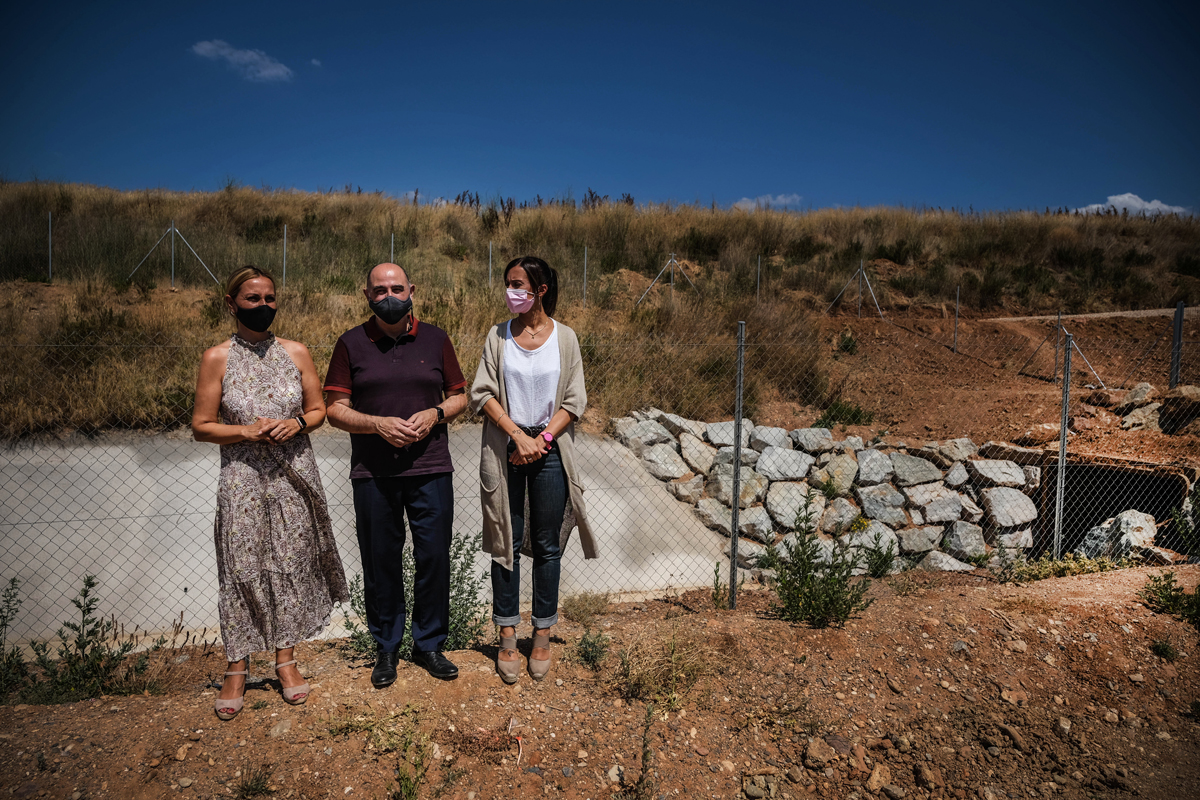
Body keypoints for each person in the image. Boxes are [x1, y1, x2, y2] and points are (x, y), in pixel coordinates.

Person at [192, 266, 350, 721]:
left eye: (270, 299)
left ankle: (285, 660)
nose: (263, 307)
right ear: (231, 303)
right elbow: (201, 427)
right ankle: (237, 666)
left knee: (289, 562)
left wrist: (297, 423)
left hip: (294, 474)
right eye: (253, 299)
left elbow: (319, 409)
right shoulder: (216, 358)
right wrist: (246, 431)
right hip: (242, 476)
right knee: (241, 565)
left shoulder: (296, 352)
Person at [324, 263, 468, 686]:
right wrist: (377, 424)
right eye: (380, 289)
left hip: (431, 469)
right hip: (373, 473)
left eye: (397, 288)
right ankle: (386, 649)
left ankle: (428, 645)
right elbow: (334, 409)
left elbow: (460, 397)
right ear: (367, 295)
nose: (389, 296)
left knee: (434, 559)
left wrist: (435, 413)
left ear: (412, 291)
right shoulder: (350, 343)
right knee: (380, 562)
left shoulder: (437, 338)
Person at [470, 256, 598, 683]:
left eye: (519, 285)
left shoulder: (566, 338)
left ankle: (541, 632)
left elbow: (575, 401)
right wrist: (516, 436)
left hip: (549, 452)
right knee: (506, 541)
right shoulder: (497, 335)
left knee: (546, 544)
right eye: (508, 284)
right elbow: (482, 393)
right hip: (507, 448)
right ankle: (508, 632)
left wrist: (540, 440)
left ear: (540, 290)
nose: (511, 292)